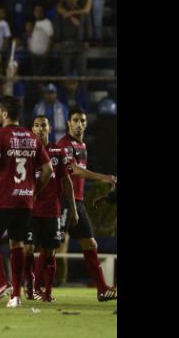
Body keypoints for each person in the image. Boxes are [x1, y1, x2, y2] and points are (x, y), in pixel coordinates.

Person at [0, 95, 52, 308]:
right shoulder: (32, 137)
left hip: (3, 199)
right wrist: (34, 191)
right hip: (25, 201)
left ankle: (1, 283)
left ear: (5, 113)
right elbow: (48, 169)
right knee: (17, 244)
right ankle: (15, 296)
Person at [57, 109, 118, 302]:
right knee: (52, 246)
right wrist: (103, 177)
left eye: (82, 120)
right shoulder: (64, 144)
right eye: (75, 120)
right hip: (64, 200)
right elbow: (73, 170)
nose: (79, 124)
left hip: (78, 202)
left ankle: (101, 289)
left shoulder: (82, 145)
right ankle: (35, 286)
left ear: (86, 124)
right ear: (68, 123)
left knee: (90, 243)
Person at [26, 115, 78, 303]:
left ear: (49, 129)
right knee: (28, 249)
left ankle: (47, 292)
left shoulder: (58, 151)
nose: (40, 129)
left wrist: (74, 209)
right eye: (37, 125)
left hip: (52, 210)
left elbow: (67, 181)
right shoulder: (28, 151)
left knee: (50, 252)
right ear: (32, 129)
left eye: (43, 126)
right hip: (31, 209)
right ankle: (31, 285)